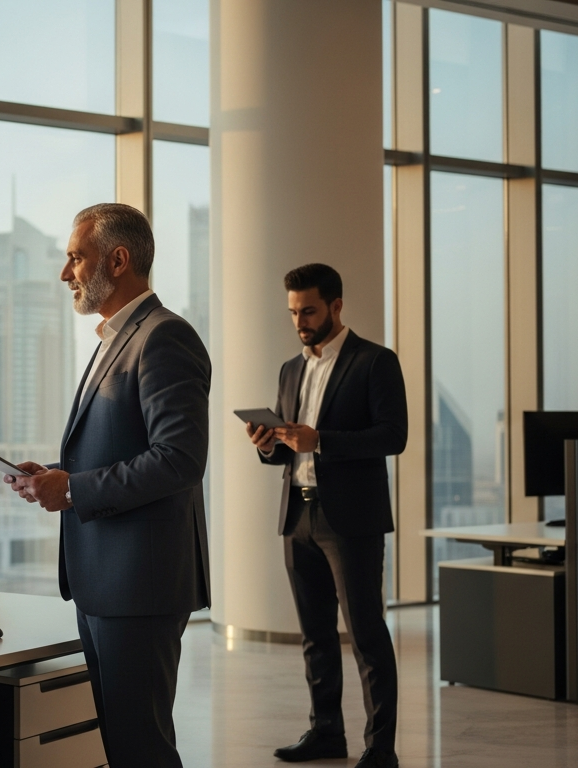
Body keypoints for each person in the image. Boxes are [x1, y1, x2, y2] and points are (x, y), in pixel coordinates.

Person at [8, 203, 210, 768]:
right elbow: (122, 445)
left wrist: (73, 490)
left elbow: (179, 459)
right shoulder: (115, 338)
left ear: (117, 260)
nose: (65, 272)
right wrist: (55, 476)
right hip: (109, 583)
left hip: (138, 587)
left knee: (140, 749)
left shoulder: (165, 338)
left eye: (76, 257)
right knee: (124, 749)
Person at [246, 263, 407, 768]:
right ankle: (326, 734)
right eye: (293, 311)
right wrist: (266, 444)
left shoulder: (375, 362)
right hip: (298, 516)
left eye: (309, 310)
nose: (300, 320)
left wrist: (324, 442)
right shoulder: (290, 369)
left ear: (337, 306)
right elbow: (287, 449)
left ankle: (381, 749)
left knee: (366, 637)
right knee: (315, 637)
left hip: (352, 522)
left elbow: (392, 436)